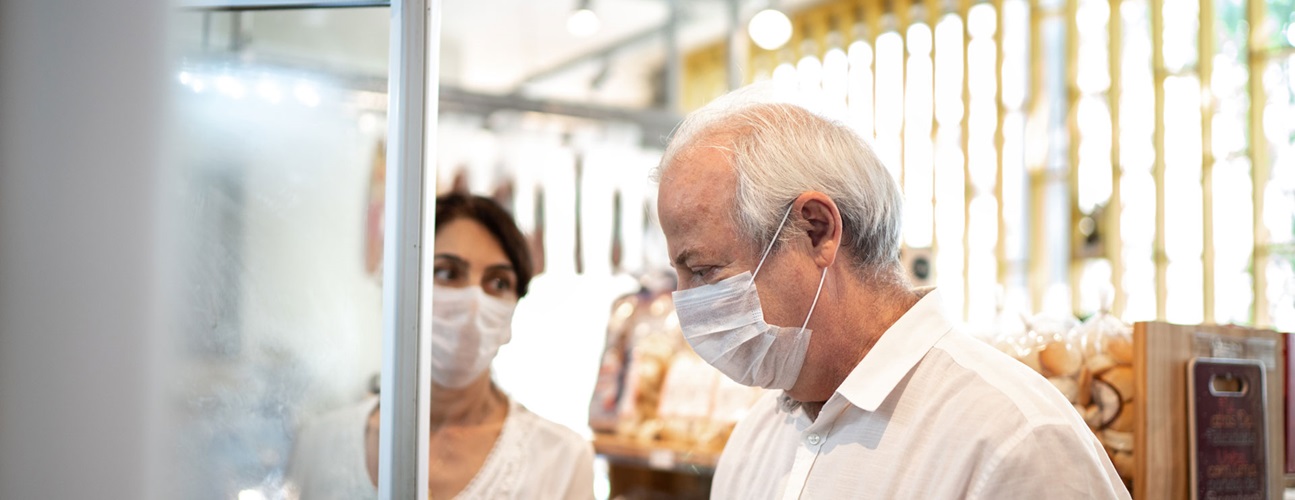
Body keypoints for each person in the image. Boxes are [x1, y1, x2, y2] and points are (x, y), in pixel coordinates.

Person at [654, 84, 1129, 499]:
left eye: (703, 270)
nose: (686, 303)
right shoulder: (757, 440)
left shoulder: (1014, 439)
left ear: (816, 230)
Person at [288, 193, 595, 500]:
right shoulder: (320, 444)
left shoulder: (560, 459)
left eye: (498, 282)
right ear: (401, 284)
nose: (474, 301)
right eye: (447, 273)